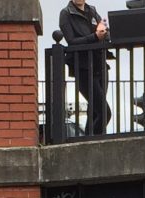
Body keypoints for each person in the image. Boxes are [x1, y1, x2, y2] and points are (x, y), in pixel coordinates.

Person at [59, 0, 112, 135]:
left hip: (100, 65)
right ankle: (92, 141)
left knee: (95, 111)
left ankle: (89, 141)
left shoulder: (92, 11)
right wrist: (94, 36)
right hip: (83, 69)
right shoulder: (66, 14)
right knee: (105, 112)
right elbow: (71, 42)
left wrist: (104, 34)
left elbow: (105, 33)